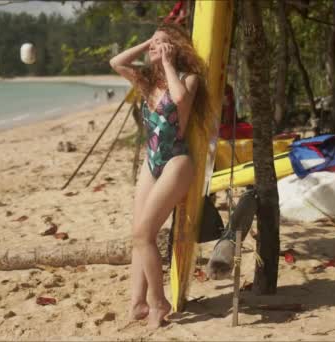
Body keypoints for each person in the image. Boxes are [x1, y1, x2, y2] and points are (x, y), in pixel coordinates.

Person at [109, 23, 209, 329]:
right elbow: (116, 63)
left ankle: (158, 301)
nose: (155, 48)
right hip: (150, 163)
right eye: (154, 44)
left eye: (163, 44)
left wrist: (167, 62)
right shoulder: (144, 81)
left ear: (175, 50)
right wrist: (147, 43)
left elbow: (179, 99)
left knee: (144, 234)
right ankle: (137, 303)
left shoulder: (187, 79)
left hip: (176, 161)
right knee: (138, 235)